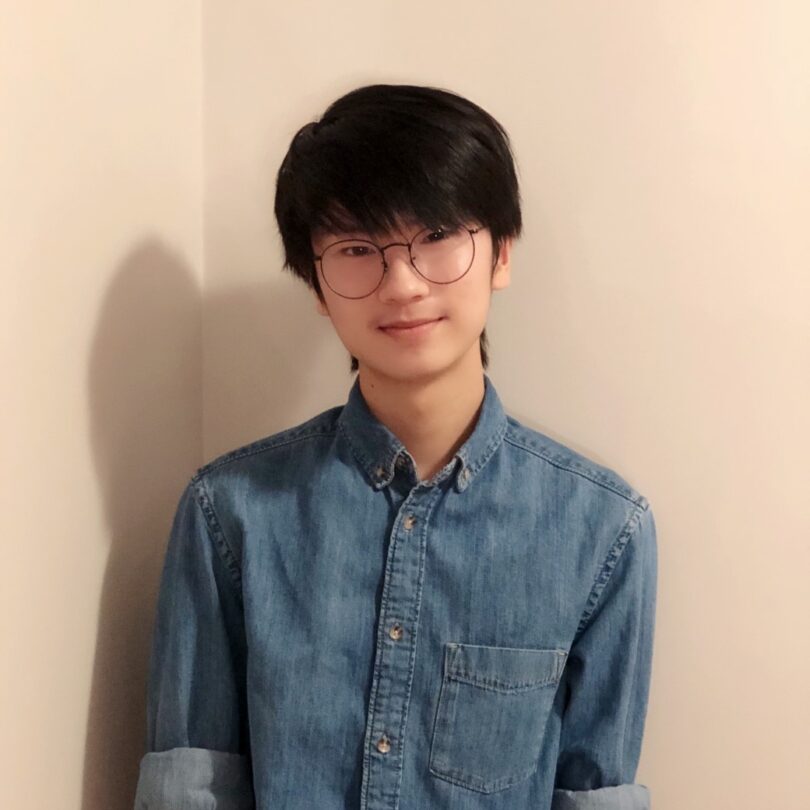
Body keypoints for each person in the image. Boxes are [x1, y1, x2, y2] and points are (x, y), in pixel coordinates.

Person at [133, 83, 657, 810]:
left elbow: (594, 794)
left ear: (501, 253)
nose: (402, 283)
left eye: (438, 235)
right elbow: (190, 792)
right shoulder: (230, 515)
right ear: (317, 282)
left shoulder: (603, 531)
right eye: (356, 248)